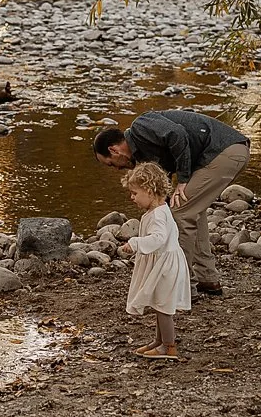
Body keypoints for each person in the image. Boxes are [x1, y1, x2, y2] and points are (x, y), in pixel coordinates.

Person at [93, 108, 250, 297]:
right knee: (189, 210)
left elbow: (178, 134)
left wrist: (183, 180)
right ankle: (208, 279)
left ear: (114, 150)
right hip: (221, 154)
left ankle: (181, 286)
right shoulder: (144, 156)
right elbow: (163, 184)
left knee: (182, 212)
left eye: (111, 163)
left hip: (224, 150)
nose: (116, 168)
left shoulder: (140, 127)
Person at [121, 161, 192, 357]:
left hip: (165, 266)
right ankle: (159, 341)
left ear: (150, 191)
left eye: (135, 193)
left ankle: (169, 346)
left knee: (164, 307)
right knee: (159, 304)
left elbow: (159, 239)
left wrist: (136, 243)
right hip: (161, 263)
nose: (132, 197)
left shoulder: (159, 215)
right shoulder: (156, 211)